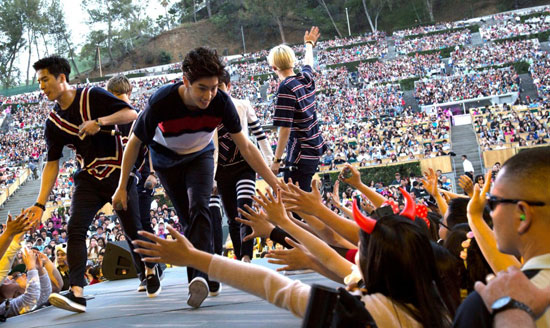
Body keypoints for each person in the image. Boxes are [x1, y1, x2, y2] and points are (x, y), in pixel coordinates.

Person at [133, 188, 453, 327]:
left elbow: (273, 286)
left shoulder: (364, 309)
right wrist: (285, 224)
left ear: (375, 264)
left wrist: (197, 257)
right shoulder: (437, 307)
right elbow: (333, 259)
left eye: (363, 249)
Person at [112, 47, 279, 309]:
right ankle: (209, 269)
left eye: (214, 87)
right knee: (187, 216)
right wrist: (122, 186)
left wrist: (273, 181)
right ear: (186, 81)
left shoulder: (221, 102)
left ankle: (198, 278)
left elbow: (246, 146)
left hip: (200, 157)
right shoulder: (161, 101)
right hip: (167, 162)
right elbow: (134, 143)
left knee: (200, 207)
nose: (209, 95)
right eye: (202, 88)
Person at [24, 56, 161, 313]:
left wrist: (100, 122)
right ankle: (77, 292)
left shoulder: (93, 95)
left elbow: (130, 113)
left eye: (44, 80)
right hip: (88, 177)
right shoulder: (52, 123)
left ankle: (150, 269)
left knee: (133, 229)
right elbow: (52, 164)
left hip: (118, 174)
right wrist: (40, 203)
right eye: (39, 82)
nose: (41, 87)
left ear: (61, 78)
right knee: (75, 228)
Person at [453, 148, 550, 327]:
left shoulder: (492, 303)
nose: (491, 213)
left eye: (493, 202)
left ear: (522, 214)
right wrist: (475, 218)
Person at [106, 74, 164, 292]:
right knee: (133, 226)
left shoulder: (137, 116)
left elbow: (152, 146)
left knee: (140, 225)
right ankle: (147, 271)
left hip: (140, 176)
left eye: (121, 95)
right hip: (125, 179)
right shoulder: (114, 119)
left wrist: (153, 174)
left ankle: (152, 269)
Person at [214, 69, 274, 263]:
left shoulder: (242, 105)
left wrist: (270, 160)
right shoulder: (208, 113)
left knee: (245, 208)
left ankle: (247, 257)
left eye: (221, 88)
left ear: (229, 87)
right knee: (232, 217)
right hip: (221, 170)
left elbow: (259, 134)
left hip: (244, 166)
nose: (218, 93)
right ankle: (240, 257)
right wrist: (211, 176)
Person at [269, 26, 326, 192]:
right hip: (313, 150)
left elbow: (285, 128)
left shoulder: (286, 87)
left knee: (296, 207)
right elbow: (308, 63)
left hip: (301, 155)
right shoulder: (304, 79)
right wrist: (309, 44)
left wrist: (277, 160)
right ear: (293, 61)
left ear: (273, 67)